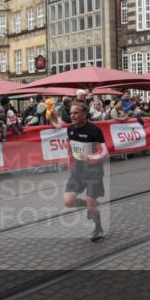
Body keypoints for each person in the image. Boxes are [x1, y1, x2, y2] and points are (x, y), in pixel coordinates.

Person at [62, 101, 110, 242]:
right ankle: (90, 206)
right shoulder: (70, 129)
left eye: (76, 112)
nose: (72, 115)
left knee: (91, 203)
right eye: (71, 113)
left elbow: (104, 152)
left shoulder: (94, 130)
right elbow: (70, 148)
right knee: (68, 201)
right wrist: (70, 163)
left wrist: (90, 158)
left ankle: (98, 228)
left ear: (84, 113)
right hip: (77, 172)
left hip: (93, 172)